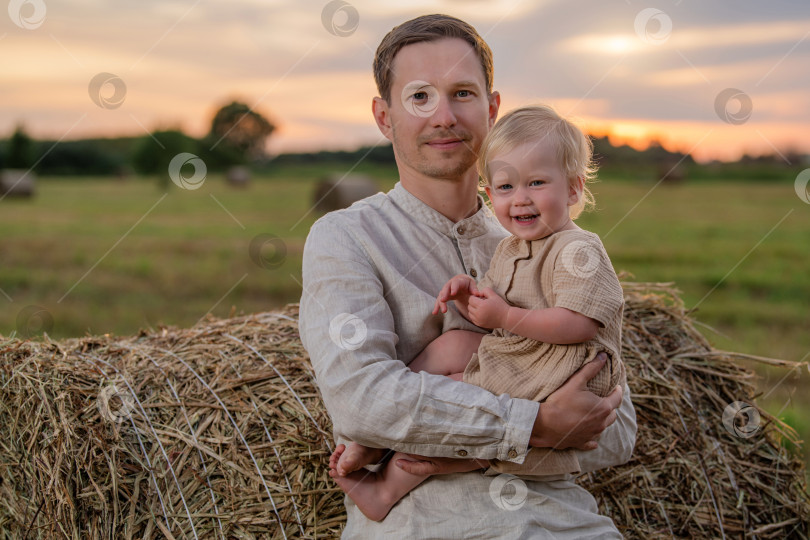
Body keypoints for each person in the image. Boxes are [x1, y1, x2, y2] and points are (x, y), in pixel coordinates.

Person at [299, 14, 636, 538]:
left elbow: (616, 430)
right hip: (421, 526)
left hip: (564, 524)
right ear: (384, 117)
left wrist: (457, 429)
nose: (444, 116)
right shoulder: (346, 237)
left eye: (462, 93)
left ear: (492, 109)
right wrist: (539, 425)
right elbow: (364, 402)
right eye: (419, 97)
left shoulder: (548, 237)